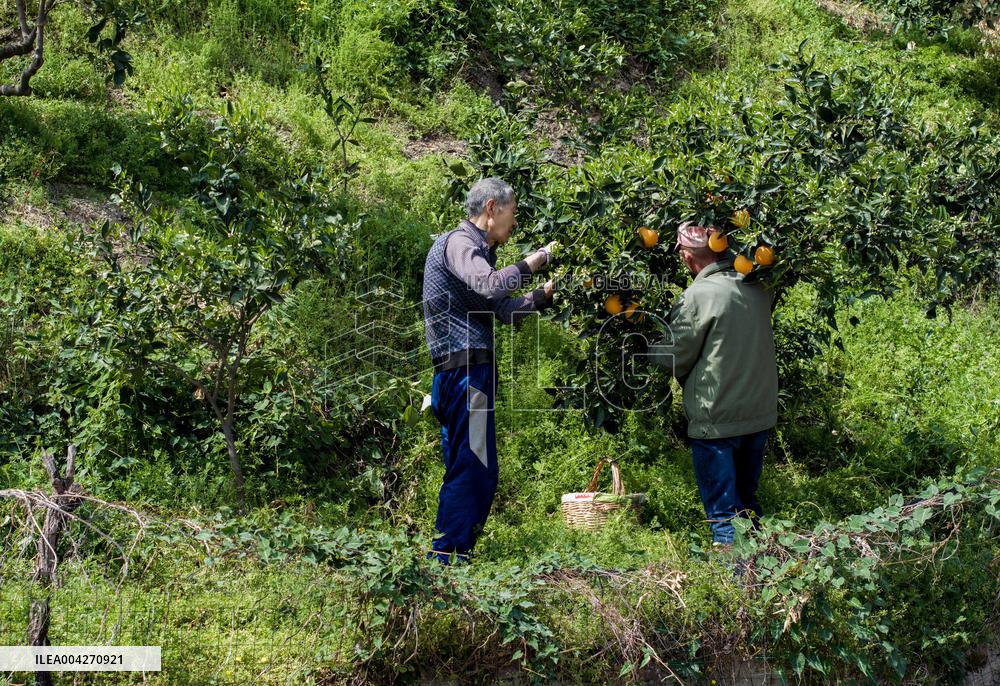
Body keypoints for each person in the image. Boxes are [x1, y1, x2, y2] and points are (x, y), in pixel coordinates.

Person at [422, 177, 557, 563]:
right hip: (466, 375)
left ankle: (444, 555)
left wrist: (543, 296)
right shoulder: (459, 243)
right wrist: (535, 260)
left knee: (464, 464)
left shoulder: (478, 254)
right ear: (492, 208)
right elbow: (488, 285)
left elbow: (501, 308)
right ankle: (449, 559)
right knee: (476, 468)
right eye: (512, 215)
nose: (513, 225)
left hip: (459, 375)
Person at [648, 222, 778, 547]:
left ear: (689, 256)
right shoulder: (756, 286)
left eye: (679, 248)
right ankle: (761, 577)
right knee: (748, 505)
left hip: (716, 422)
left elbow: (673, 357)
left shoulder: (697, 297)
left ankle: (734, 590)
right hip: (758, 416)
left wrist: (645, 344)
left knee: (723, 516)